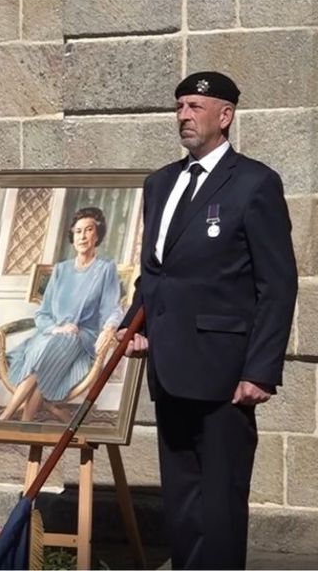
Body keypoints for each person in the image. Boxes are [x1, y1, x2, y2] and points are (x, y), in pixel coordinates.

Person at [118, 72, 297, 569]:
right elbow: (155, 272)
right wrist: (136, 323)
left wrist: (260, 370)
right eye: (179, 106)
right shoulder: (161, 183)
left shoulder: (255, 183)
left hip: (225, 373)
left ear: (225, 115)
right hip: (170, 368)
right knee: (183, 502)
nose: (183, 116)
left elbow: (277, 284)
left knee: (219, 504)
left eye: (195, 106)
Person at [0, 207, 123, 422]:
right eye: (78, 231)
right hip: (51, 336)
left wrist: (110, 327)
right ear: (72, 236)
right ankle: (25, 425)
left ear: (97, 234)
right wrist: (57, 328)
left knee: (51, 350)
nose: (83, 236)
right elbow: (43, 314)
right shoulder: (61, 270)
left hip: (82, 338)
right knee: (46, 354)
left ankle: (5, 417)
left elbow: (113, 309)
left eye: (89, 230)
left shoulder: (105, 269)